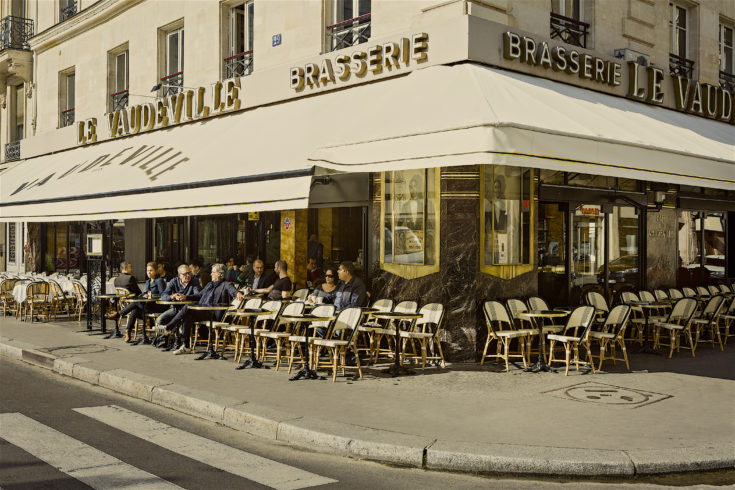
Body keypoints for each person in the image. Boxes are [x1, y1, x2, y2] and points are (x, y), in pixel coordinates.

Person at [163, 263, 243, 355]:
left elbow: (234, 291)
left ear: (219, 274)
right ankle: (186, 346)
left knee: (187, 308)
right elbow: (199, 295)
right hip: (204, 311)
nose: (210, 274)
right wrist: (186, 297)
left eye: (213, 272)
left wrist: (238, 293)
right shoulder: (210, 284)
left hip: (214, 314)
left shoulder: (226, 284)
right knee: (188, 316)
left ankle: (169, 327)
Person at [106, 261, 166, 343]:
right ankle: (128, 331)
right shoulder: (148, 281)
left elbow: (163, 295)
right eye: (147, 271)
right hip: (147, 305)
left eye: (151, 270)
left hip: (156, 306)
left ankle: (119, 314)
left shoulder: (159, 281)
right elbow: (145, 293)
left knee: (135, 302)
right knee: (135, 309)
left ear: (156, 271)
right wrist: (144, 295)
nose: (149, 272)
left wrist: (151, 296)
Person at [155, 264, 201, 348]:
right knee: (160, 319)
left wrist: (186, 297)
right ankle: (165, 341)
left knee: (183, 319)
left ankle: (177, 339)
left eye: (189, 273)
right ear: (179, 275)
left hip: (188, 310)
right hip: (175, 308)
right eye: (185, 274)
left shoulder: (194, 281)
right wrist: (172, 296)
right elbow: (163, 295)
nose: (188, 276)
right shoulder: (174, 281)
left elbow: (198, 295)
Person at [308, 266, 339, 337]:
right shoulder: (319, 287)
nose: (327, 278)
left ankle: (326, 339)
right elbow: (311, 299)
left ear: (335, 277)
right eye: (326, 276)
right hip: (317, 313)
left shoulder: (338, 289)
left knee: (318, 327)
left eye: (330, 276)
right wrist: (310, 298)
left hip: (329, 314)